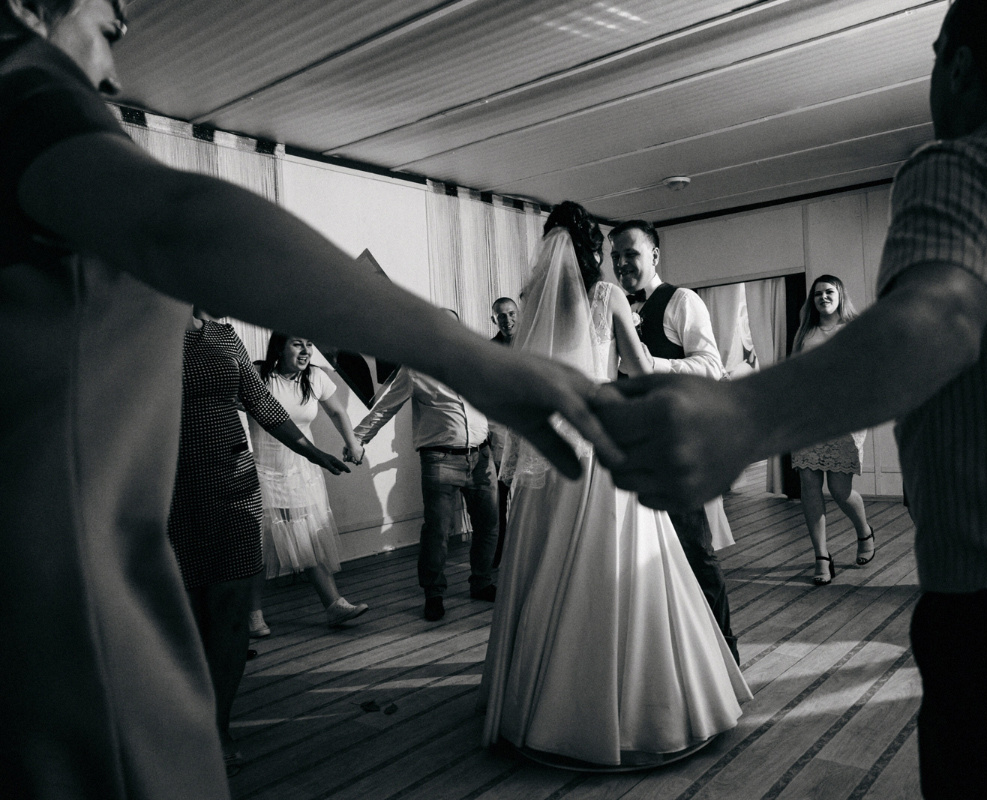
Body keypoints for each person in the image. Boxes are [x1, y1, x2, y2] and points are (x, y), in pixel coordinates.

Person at [0, 2, 617, 796]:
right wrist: (465, 355)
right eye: (111, 27)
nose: (116, 73)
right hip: (67, 612)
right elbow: (181, 223)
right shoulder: (24, 81)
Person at [594, 1, 987, 797]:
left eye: (935, 52)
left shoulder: (968, 166)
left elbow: (941, 316)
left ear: (958, 65)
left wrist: (739, 418)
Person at [480, 202, 751, 770]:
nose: (619, 261)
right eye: (613, 252)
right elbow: (643, 371)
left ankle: (539, 701)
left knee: (547, 569)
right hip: (603, 445)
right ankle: (639, 706)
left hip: (549, 455)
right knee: (627, 570)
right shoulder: (604, 297)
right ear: (594, 250)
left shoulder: (530, 304)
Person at [167, 311, 349, 771]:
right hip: (171, 489)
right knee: (184, 616)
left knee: (229, 612)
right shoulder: (146, 325)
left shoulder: (226, 337)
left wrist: (313, 452)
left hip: (234, 484)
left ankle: (218, 724)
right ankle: (181, 723)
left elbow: (263, 405)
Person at [609, 219, 740, 662]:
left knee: (694, 555)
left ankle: (724, 656)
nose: (622, 262)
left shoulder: (681, 301)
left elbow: (710, 366)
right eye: (616, 255)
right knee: (639, 563)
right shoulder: (611, 307)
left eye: (631, 253)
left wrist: (653, 365)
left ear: (655, 255)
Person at [354, 310, 500, 623]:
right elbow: (386, 409)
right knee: (438, 531)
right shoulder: (416, 371)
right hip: (440, 458)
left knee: (488, 524)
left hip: (481, 457)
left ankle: (482, 582)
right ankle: (433, 594)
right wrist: (357, 439)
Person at [247, 333, 370, 638]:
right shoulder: (259, 375)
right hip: (265, 469)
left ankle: (333, 605)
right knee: (259, 544)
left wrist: (352, 444)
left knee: (306, 535)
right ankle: (252, 615)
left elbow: (337, 411)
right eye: (297, 343)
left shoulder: (314, 377)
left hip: (302, 470)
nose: (305, 351)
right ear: (280, 346)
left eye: (310, 345)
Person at [789, 275, 875, 585]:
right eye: (817, 294)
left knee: (840, 490)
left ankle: (864, 531)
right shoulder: (805, 332)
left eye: (829, 292)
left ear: (840, 295)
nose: (823, 297)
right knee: (809, 486)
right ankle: (821, 557)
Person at [489, 296, 518, 566]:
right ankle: (498, 555)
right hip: (500, 433)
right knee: (499, 500)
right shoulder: (488, 350)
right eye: (501, 316)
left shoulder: (534, 341)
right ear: (494, 320)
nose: (507, 320)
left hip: (531, 431)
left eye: (511, 314)